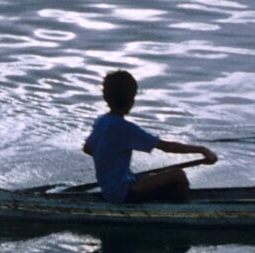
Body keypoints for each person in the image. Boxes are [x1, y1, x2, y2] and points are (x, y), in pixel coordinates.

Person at [82, 70, 217, 203]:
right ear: (131, 99)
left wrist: (115, 167)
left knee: (153, 176)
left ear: (106, 97)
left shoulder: (101, 121)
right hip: (122, 194)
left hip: (109, 189)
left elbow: (88, 148)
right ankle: (183, 210)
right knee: (178, 174)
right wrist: (202, 150)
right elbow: (168, 147)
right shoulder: (125, 128)